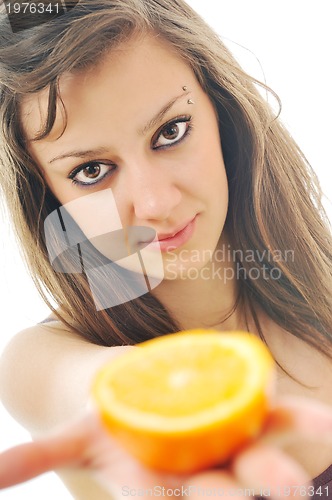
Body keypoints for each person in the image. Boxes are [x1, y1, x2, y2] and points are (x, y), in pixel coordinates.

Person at [0, 0, 331, 498]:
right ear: (49, 195)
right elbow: (89, 392)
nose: (156, 203)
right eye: (91, 171)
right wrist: (140, 409)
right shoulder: (37, 361)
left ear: (223, 111)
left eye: (170, 132)